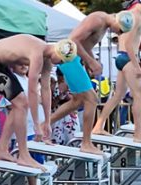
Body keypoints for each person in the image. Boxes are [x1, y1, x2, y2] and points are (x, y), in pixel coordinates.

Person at [0, 36, 77, 170]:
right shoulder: (38, 53)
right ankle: (23, 155)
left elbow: (45, 89)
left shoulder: (48, 58)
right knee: (21, 103)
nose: (60, 64)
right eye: (62, 61)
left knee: (19, 104)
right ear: (58, 52)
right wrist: (36, 125)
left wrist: (47, 121)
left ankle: (1, 149)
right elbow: (32, 90)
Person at [50, 11, 135, 154]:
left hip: (73, 59)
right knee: (92, 99)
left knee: (77, 101)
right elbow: (74, 40)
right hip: (69, 57)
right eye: (120, 30)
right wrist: (90, 61)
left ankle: (43, 126)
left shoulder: (103, 25)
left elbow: (86, 45)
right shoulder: (98, 20)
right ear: (117, 21)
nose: (119, 34)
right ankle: (86, 143)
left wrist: (93, 61)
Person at [93, 2, 141, 139]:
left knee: (118, 95)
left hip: (121, 57)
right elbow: (129, 44)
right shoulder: (136, 16)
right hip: (128, 58)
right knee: (138, 96)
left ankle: (98, 126)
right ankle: (138, 135)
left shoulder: (127, 15)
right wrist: (136, 65)